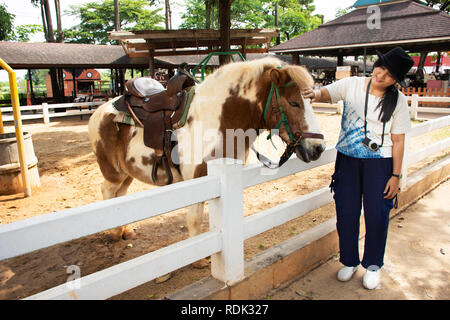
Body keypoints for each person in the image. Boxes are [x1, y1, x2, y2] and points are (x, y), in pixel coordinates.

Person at [302, 47, 414, 290]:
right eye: (380, 67)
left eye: (389, 73)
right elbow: (323, 94)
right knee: (346, 213)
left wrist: (395, 176)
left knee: (377, 215)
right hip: (347, 162)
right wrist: (312, 92)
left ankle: (373, 265)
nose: (381, 74)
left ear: (396, 80)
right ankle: (349, 261)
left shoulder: (399, 101)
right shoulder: (352, 84)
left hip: (380, 165)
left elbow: (399, 141)